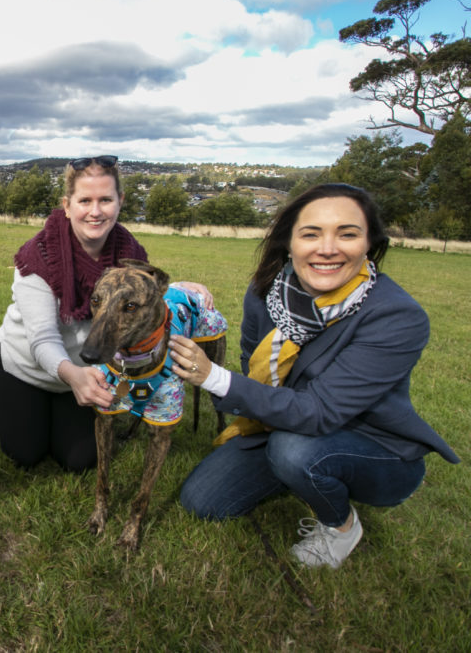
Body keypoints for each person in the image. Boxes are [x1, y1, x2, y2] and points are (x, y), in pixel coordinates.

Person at [171, 183, 459, 569]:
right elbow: (255, 369)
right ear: (289, 242)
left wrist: (213, 377)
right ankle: (293, 473)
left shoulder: (395, 317)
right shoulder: (264, 293)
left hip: (371, 445)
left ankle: (341, 526)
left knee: (294, 451)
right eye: (311, 234)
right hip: (279, 424)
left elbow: (320, 413)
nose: (327, 248)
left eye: (348, 233)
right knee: (202, 502)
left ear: (369, 243)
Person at [0, 155, 211, 471]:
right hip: (27, 369)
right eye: (85, 200)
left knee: (80, 460)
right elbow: (42, 339)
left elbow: (136, 295)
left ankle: (63, 411)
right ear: (67, 205)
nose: (95, 211)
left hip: (88, 369)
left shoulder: (129, 253)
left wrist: (178, 288)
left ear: (120, 201)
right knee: (26, 453)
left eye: (105, 199)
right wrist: (72, 375)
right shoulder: (38, 258)